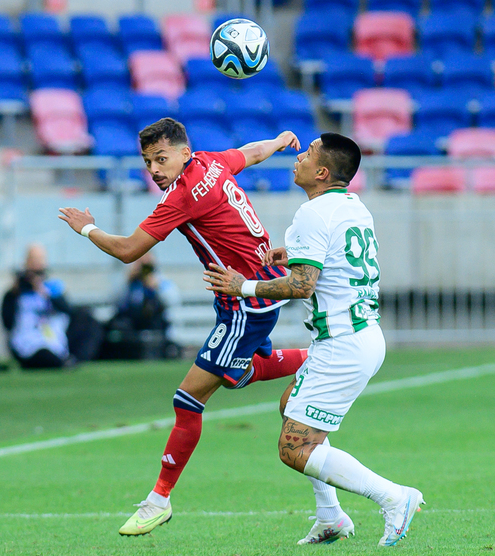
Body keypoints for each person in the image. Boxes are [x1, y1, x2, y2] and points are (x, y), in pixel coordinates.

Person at [58, 118, 312, 535]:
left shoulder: (183, 196)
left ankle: (158, 500)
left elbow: (129, 250)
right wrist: (280, 139)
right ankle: (314, 359)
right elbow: (250, 153)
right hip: (251, 294)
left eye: (161, 159)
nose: (154, 170)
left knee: (188, 399)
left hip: (245, 304)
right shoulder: (211, 162)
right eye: (147, 162)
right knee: (237, 374)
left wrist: (86, 227)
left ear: (183, 152)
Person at [204, 133, 424, 546]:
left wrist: (242, 286)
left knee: (294, 448)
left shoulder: (312, 212)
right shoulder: (353, 206)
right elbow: (335, 258)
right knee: (290, 404)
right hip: (359, 334)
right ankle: (331, 517)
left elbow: (303, 286)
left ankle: (394, 498)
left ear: (322, 172)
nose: (299, 157)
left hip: (343, 342)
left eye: (307, 154)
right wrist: (294, 254)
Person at [1, 244, 75, 369]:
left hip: (53, 339)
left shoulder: (52, 289)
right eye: (33, 259)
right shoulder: (15, 292)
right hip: (28, 342)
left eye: (40, 259)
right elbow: (7, 322)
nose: (37, 263)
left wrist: (45, 292)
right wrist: (16, 292)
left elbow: (68, 311)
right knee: (43, 355)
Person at [100, 253, 182, 360]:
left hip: (154, 322)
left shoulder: (160, 280)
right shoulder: (127, 281)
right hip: (130, 324)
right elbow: (113, 300)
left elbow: (173, 300)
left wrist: (156, 286)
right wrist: (127, 280)